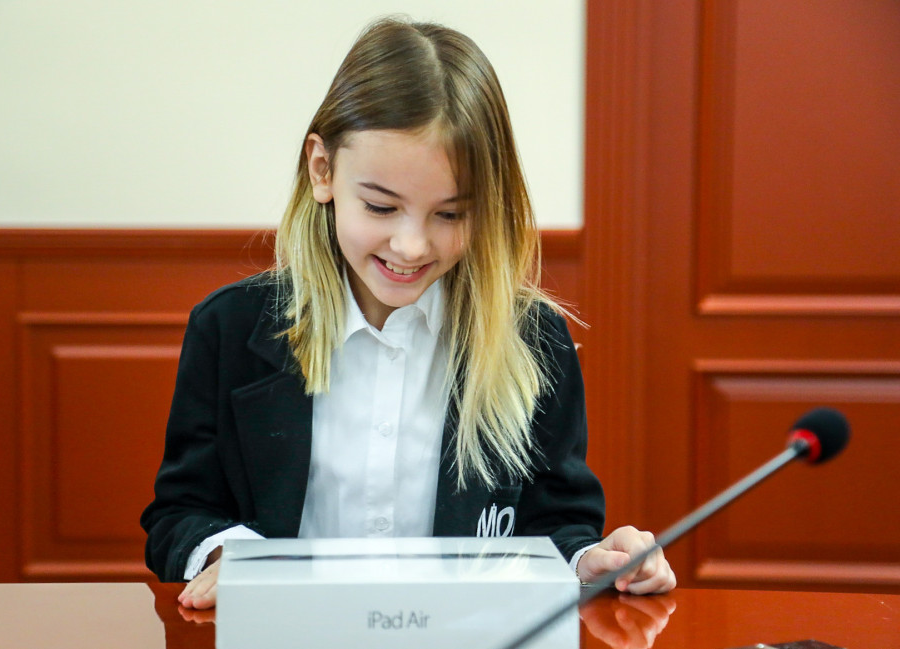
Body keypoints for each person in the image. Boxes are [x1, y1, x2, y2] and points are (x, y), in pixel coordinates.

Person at [140, 16, 676, 610]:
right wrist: (231, 557)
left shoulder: (531, 339)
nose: (412, 246)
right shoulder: (230, 328)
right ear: (322, 170)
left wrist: (590, 559)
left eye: (450, 214)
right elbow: (180, 514)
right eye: (380, 206)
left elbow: (557, 522)